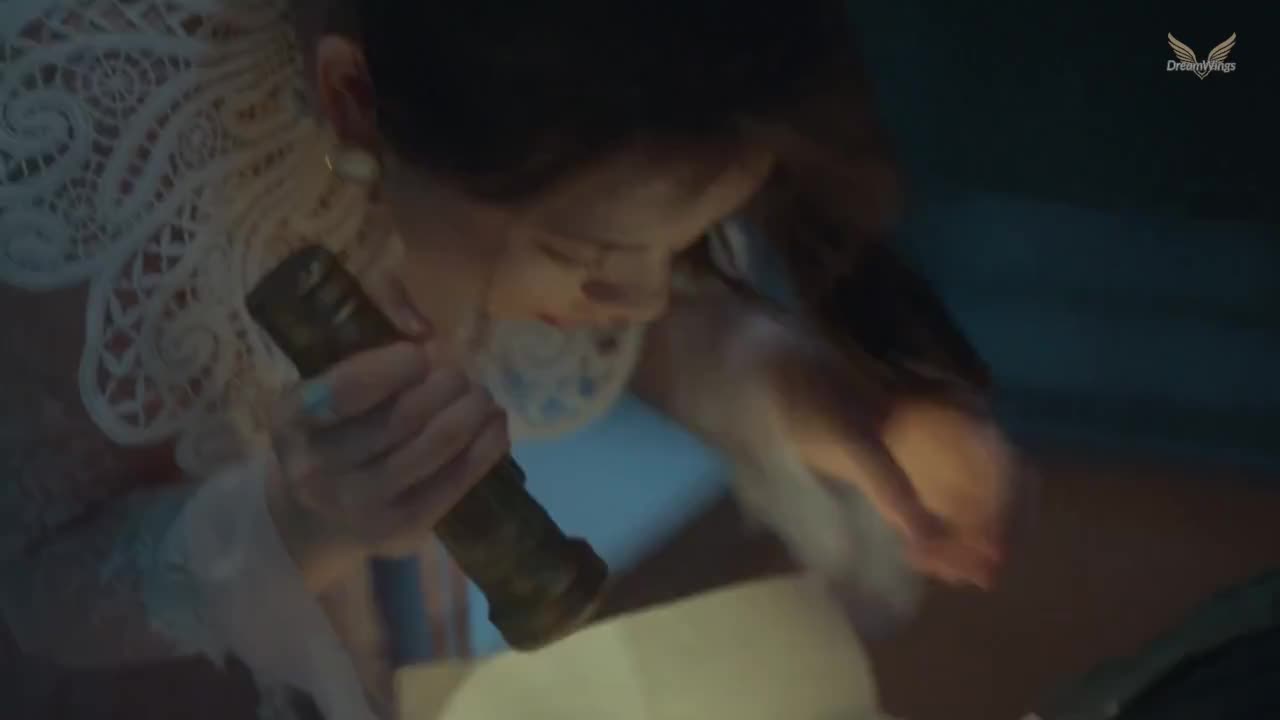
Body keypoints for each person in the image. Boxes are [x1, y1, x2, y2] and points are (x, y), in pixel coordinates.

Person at [0, 1, 1026, 717]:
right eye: (586, 257)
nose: (646, 296)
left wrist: (808, 394)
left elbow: (638, 316)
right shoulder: (91, 134)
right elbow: (33, 589)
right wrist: (293, 524)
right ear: (353, 101)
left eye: (680, 245)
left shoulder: (543, 78)